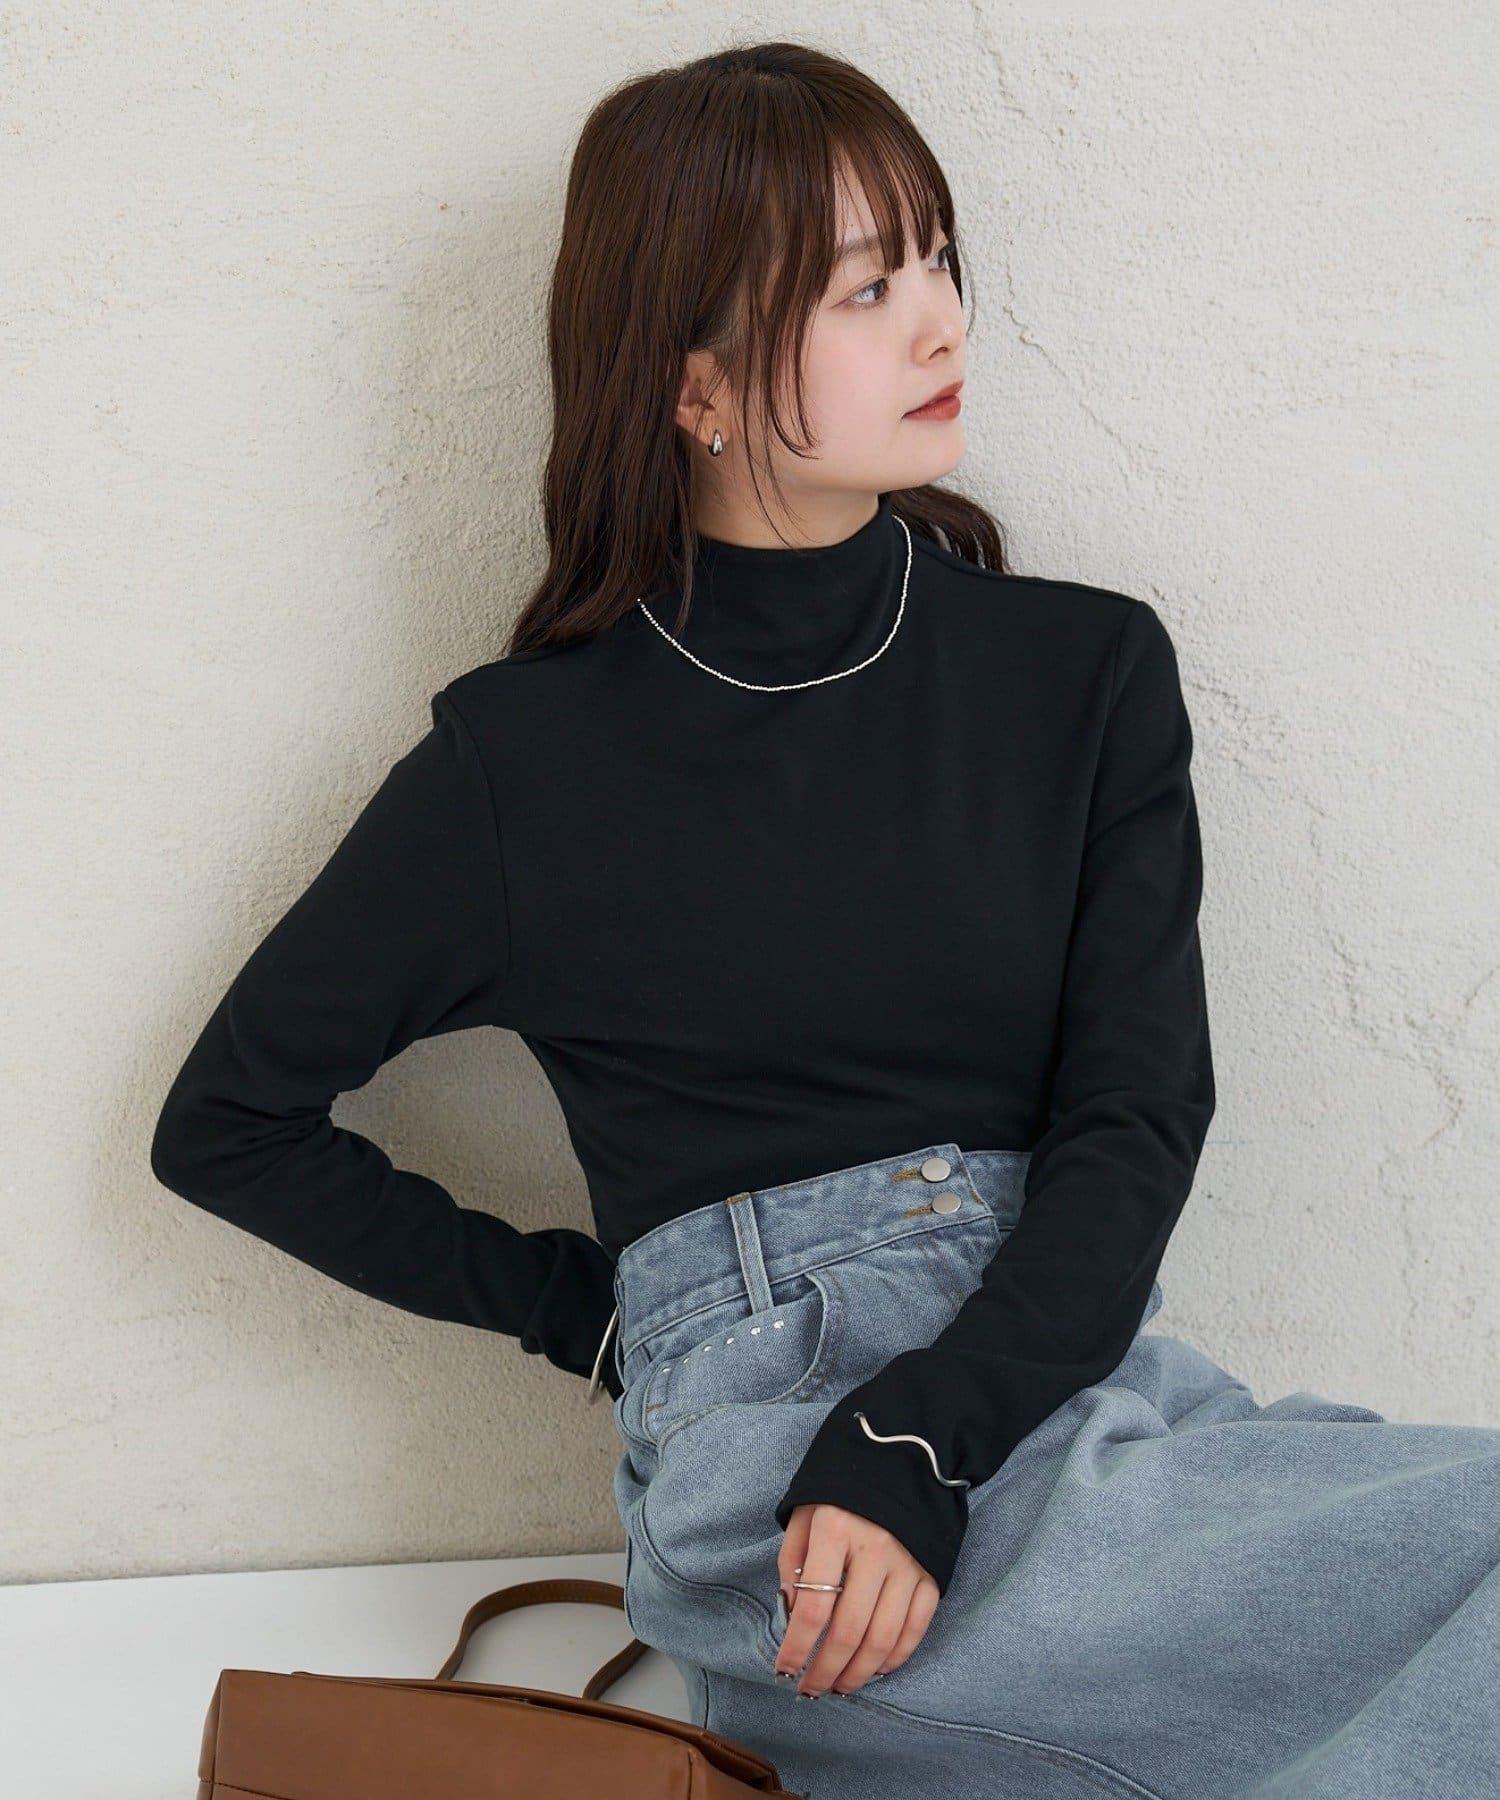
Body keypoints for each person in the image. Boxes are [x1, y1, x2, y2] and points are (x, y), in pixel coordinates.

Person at [150, 39, 1499, 1800]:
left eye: (937, 260)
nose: (941, 323)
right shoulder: (526, 763)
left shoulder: (1082, 673)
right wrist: (600, 1317)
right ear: (695, 383)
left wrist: (928, 1427)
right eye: (867, 288)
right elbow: (227, 1123)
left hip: (1051, 1402)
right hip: (788, 1502)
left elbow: (1137, 1114)